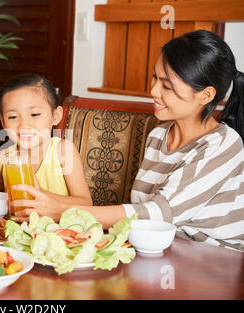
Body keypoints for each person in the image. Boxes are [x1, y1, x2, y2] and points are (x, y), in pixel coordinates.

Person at [13, 30, 244, 250]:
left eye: (167, 86)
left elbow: (160, 214)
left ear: (206, 94)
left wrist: (63, 210)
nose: (153, 91)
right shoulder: (158, 136)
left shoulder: (223, 145)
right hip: (158, 250)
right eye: (154, 78)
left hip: (214, 262)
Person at [0, 73, 93, 221]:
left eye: (35, 114)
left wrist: (42, 195)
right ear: (3, 122)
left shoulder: (63, 151)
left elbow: (86, 203)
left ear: (55, 116)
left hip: (57, 236)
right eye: (13, 117)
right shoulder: (2, 159)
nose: (24, 125)